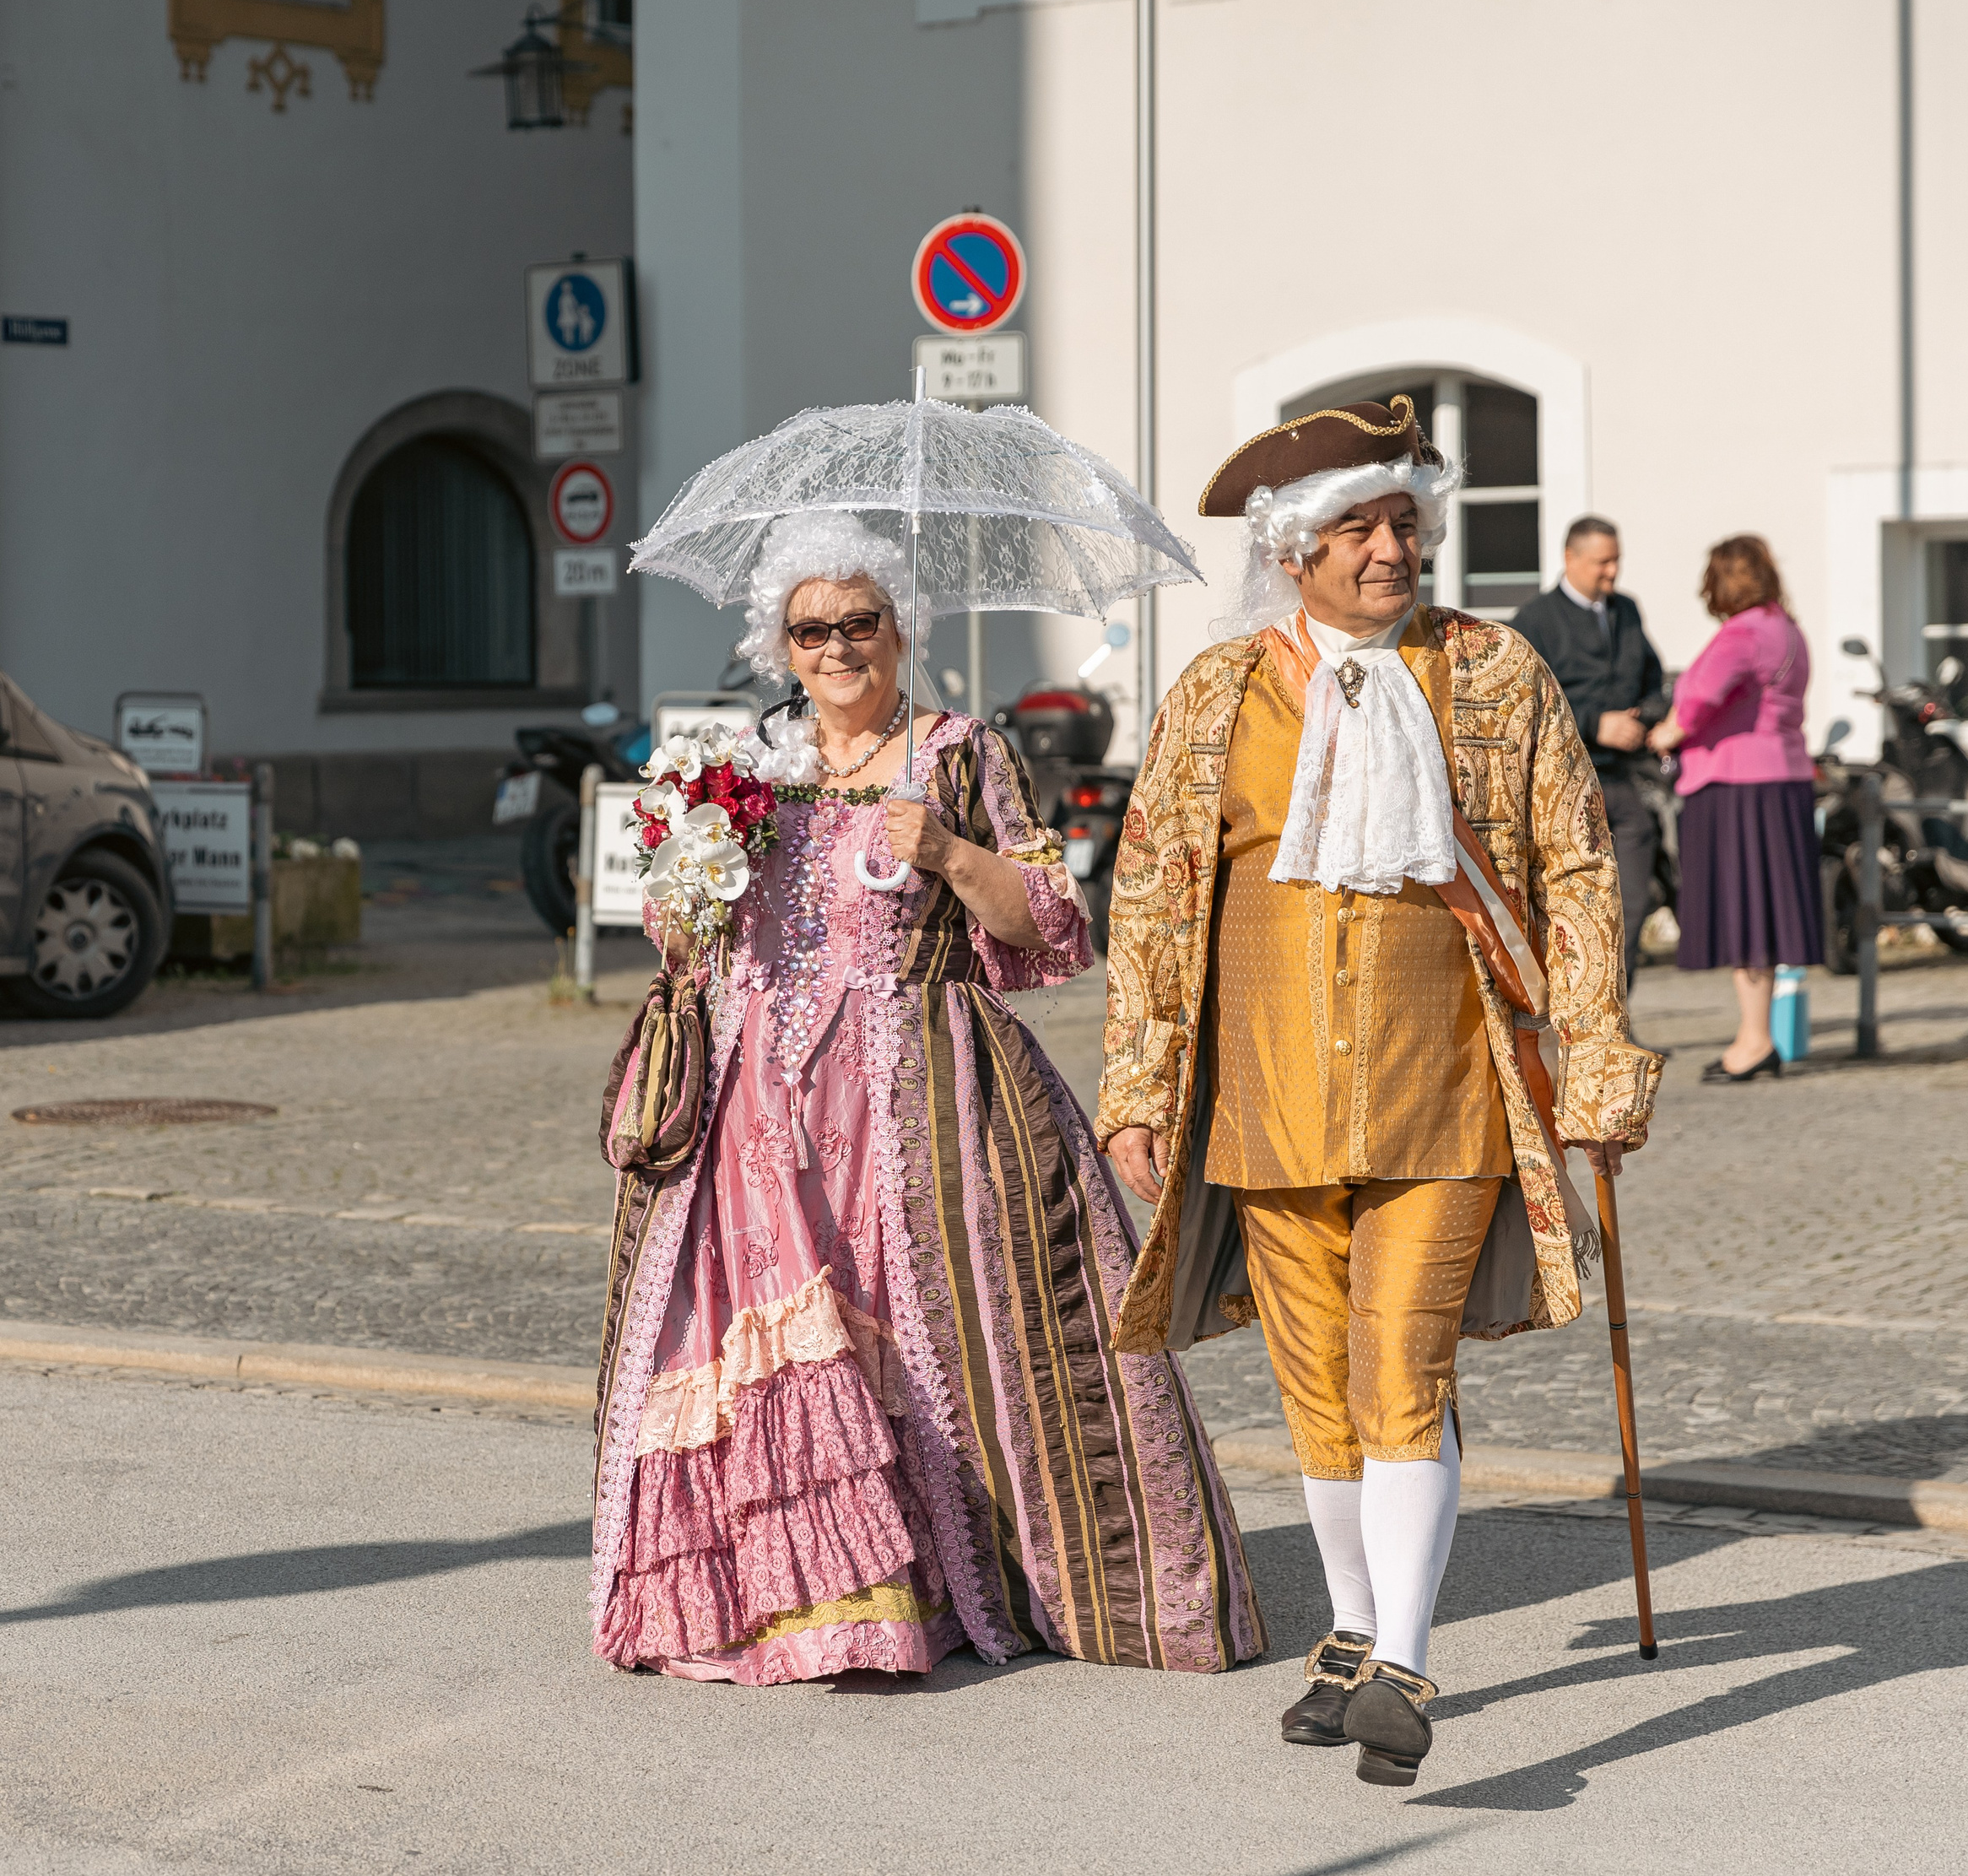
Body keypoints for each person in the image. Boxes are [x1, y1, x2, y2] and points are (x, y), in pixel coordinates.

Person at [590, 511, 1265, 1684]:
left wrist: (953, 853)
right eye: (812, 629)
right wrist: (688, 872)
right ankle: (781, 1595)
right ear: (781, 644)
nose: (837, 647)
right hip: (755, 1111)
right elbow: (685, 938)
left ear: (901, 630)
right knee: (773, 1336)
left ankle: (939, 1584)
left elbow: (1052, 928)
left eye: (861, 621)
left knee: (942, 1336)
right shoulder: (750, 765)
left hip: (923, 1097)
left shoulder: (961, 752)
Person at [1097, 397, 1660, 1787]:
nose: (1392, 547)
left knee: (1401, 1367)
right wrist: (1137, 1084)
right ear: (1294, 547)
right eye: (1359, 524)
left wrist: (1591, 1049)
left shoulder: (1496, 671)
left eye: (1407, 519)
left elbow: (1576, 862)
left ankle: (1404, 1661)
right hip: (1270, 1092)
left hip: (1446, 1086)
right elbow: (1157, 897)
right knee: (1320, 1390)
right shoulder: (1220, 694)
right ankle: (1351, 1636)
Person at [1646, 534, 1820, 1081]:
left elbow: (1698, 699)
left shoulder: (1742, 633)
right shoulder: (1787, 630)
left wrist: (1665, 732)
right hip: (1784, 778)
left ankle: (1753, 1039)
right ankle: (1757, 1035)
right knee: (1764, 913)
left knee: (1745, 913)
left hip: (1737, 782)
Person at [1511, 516, 1669, 986]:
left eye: (1617, 560)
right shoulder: (1535, 620)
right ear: (1570, 559)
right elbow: (1524, 701)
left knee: (1634, 903)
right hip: (1567, 787)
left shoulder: (1627, 611)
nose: (1612, 572)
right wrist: (1597, 722)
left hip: (1623, 782)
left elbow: (1653, 681)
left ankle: (1620, 1011)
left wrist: (1646, 716)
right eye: (1603, 562)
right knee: (1577, 907)